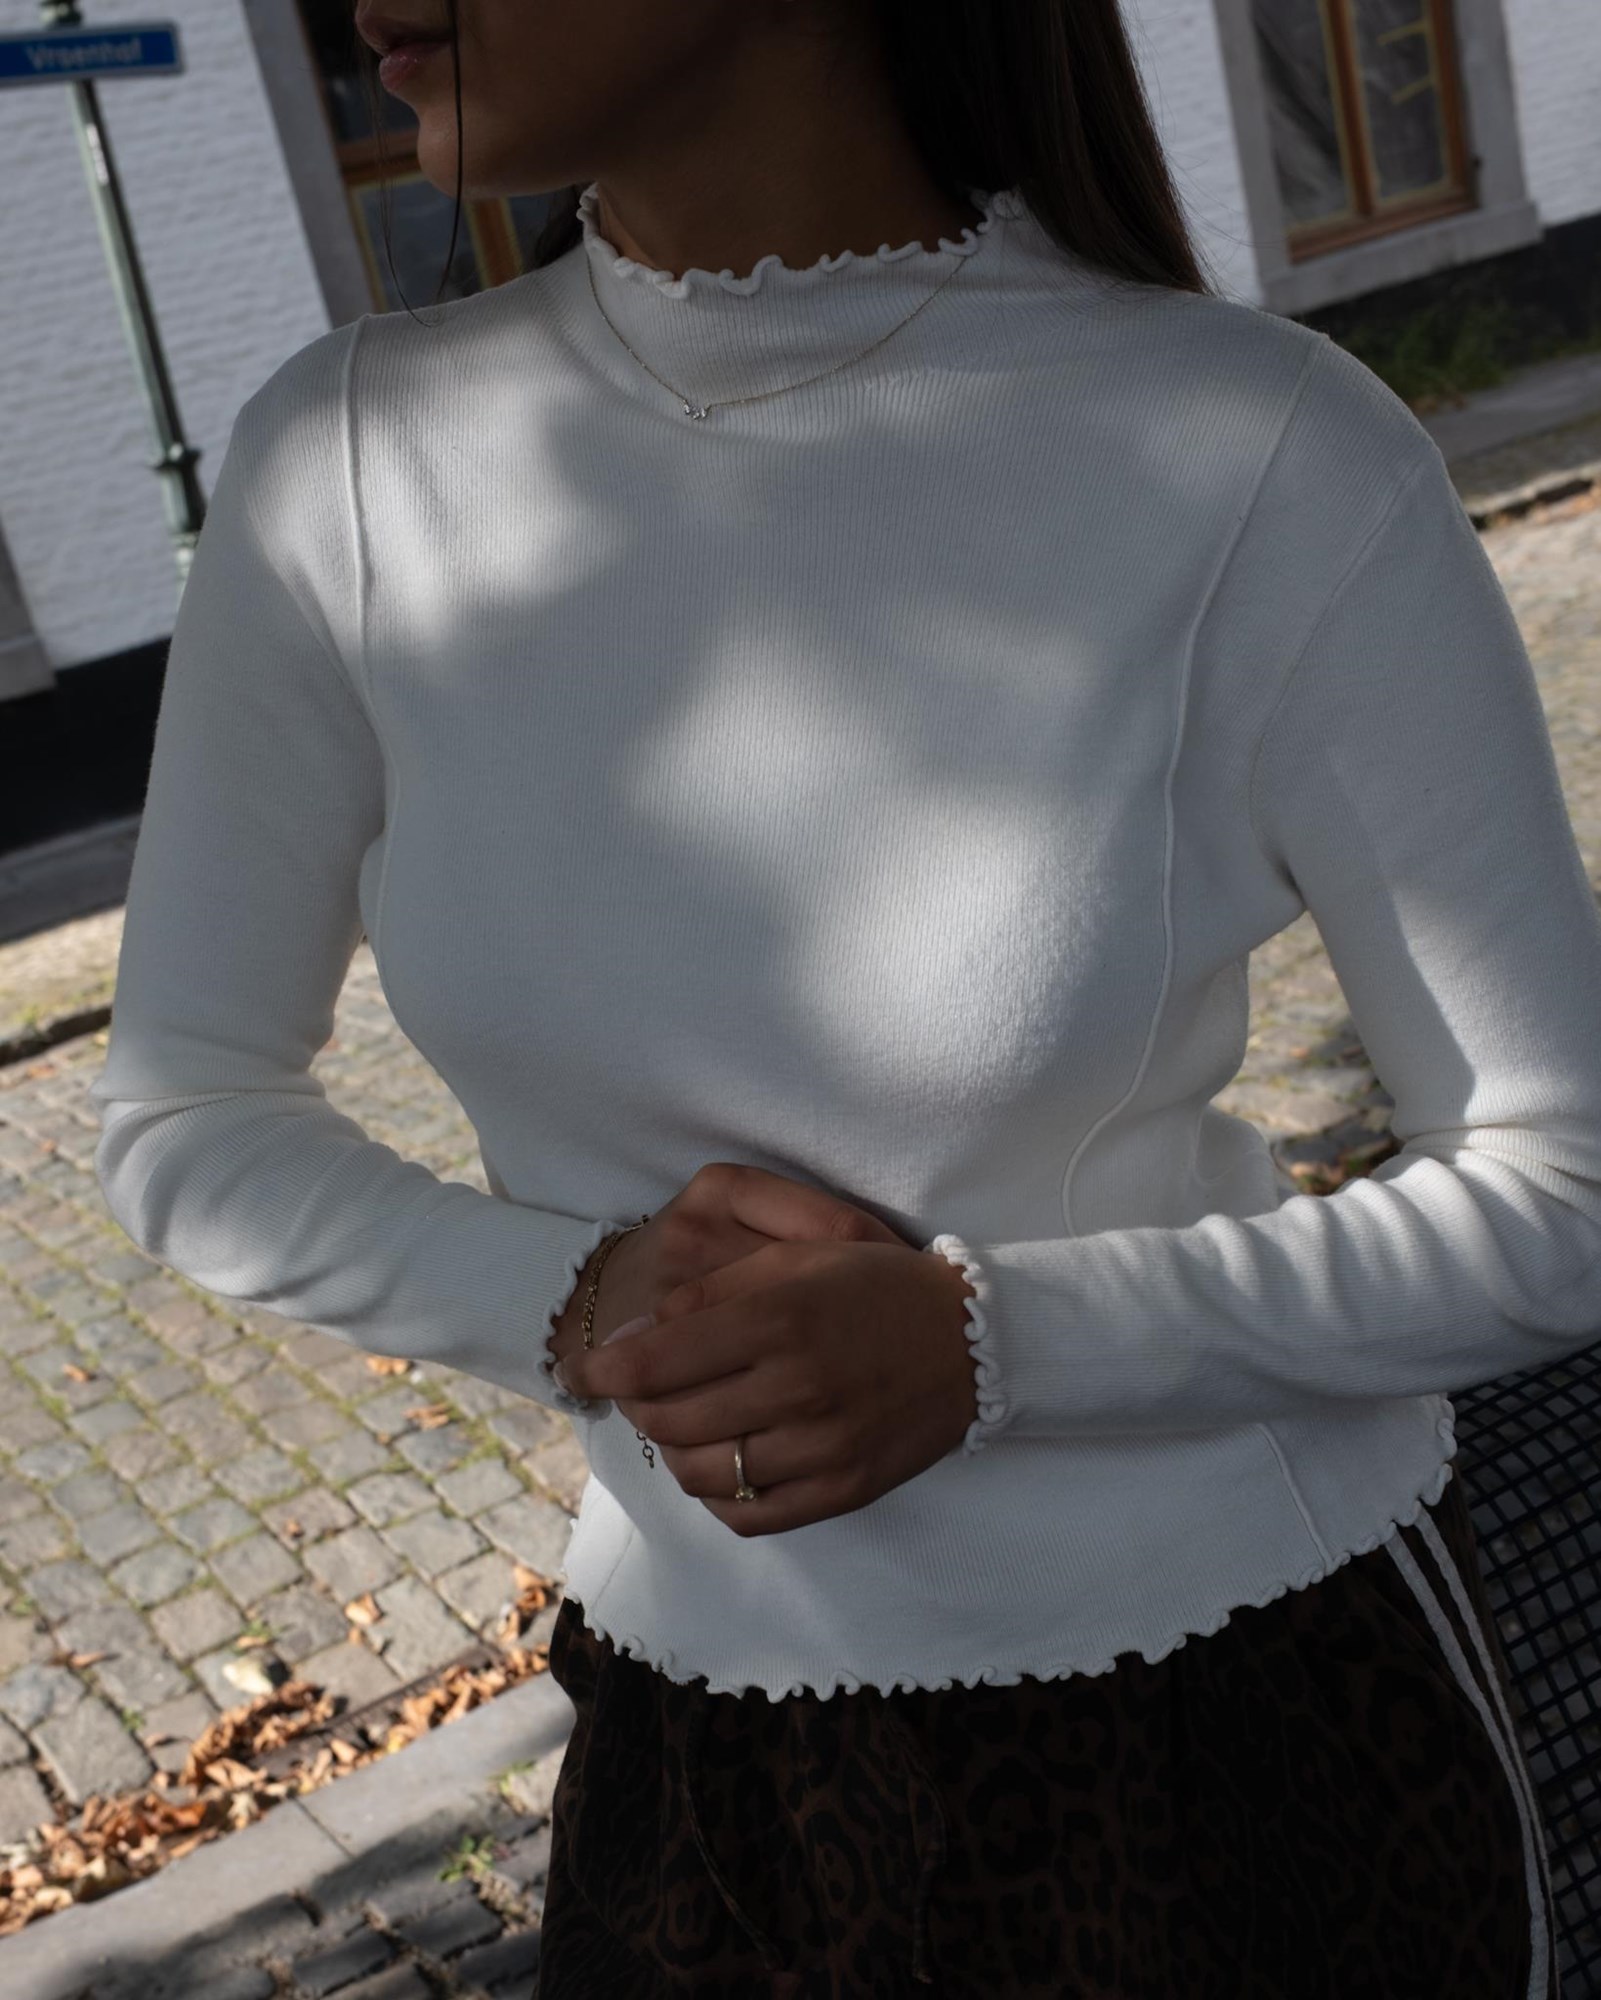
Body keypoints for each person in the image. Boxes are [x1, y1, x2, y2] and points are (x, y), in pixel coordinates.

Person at [88, 0, 1595, 1991]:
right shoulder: (343, 466)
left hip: (1242, 1733)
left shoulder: (1264, 450)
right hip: (698, 1750)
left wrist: (998, 1346)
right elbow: (185, 1109)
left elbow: (1562, 1188)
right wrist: (574, 1295)